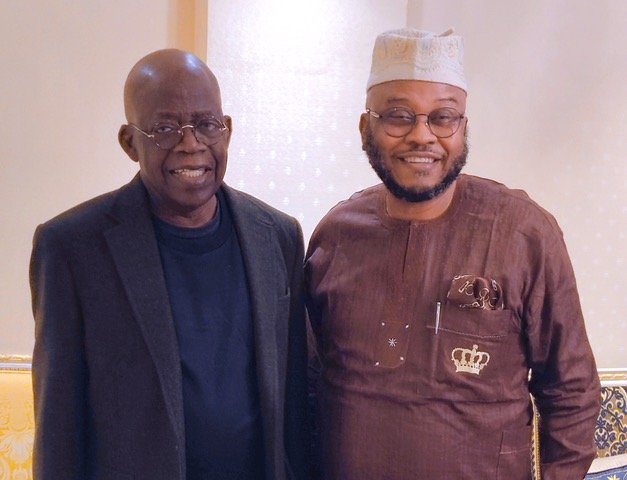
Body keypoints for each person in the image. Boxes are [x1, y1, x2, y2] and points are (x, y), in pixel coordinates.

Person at [305, 28, 600, 479]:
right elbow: (308, 383)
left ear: (463, 127)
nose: (422, 136)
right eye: (399, 116)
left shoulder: (524, 234)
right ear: (366, 127)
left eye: (443, 117)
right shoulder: (336, 236)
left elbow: (571, 391)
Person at [30, 49, 308, 480]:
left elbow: (294, 404)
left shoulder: (278, 236)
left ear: (227, 130)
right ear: (129, 142)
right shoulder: (72, 247)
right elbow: (59, 428)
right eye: (164, 128)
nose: (191, 144)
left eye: (206, 125)